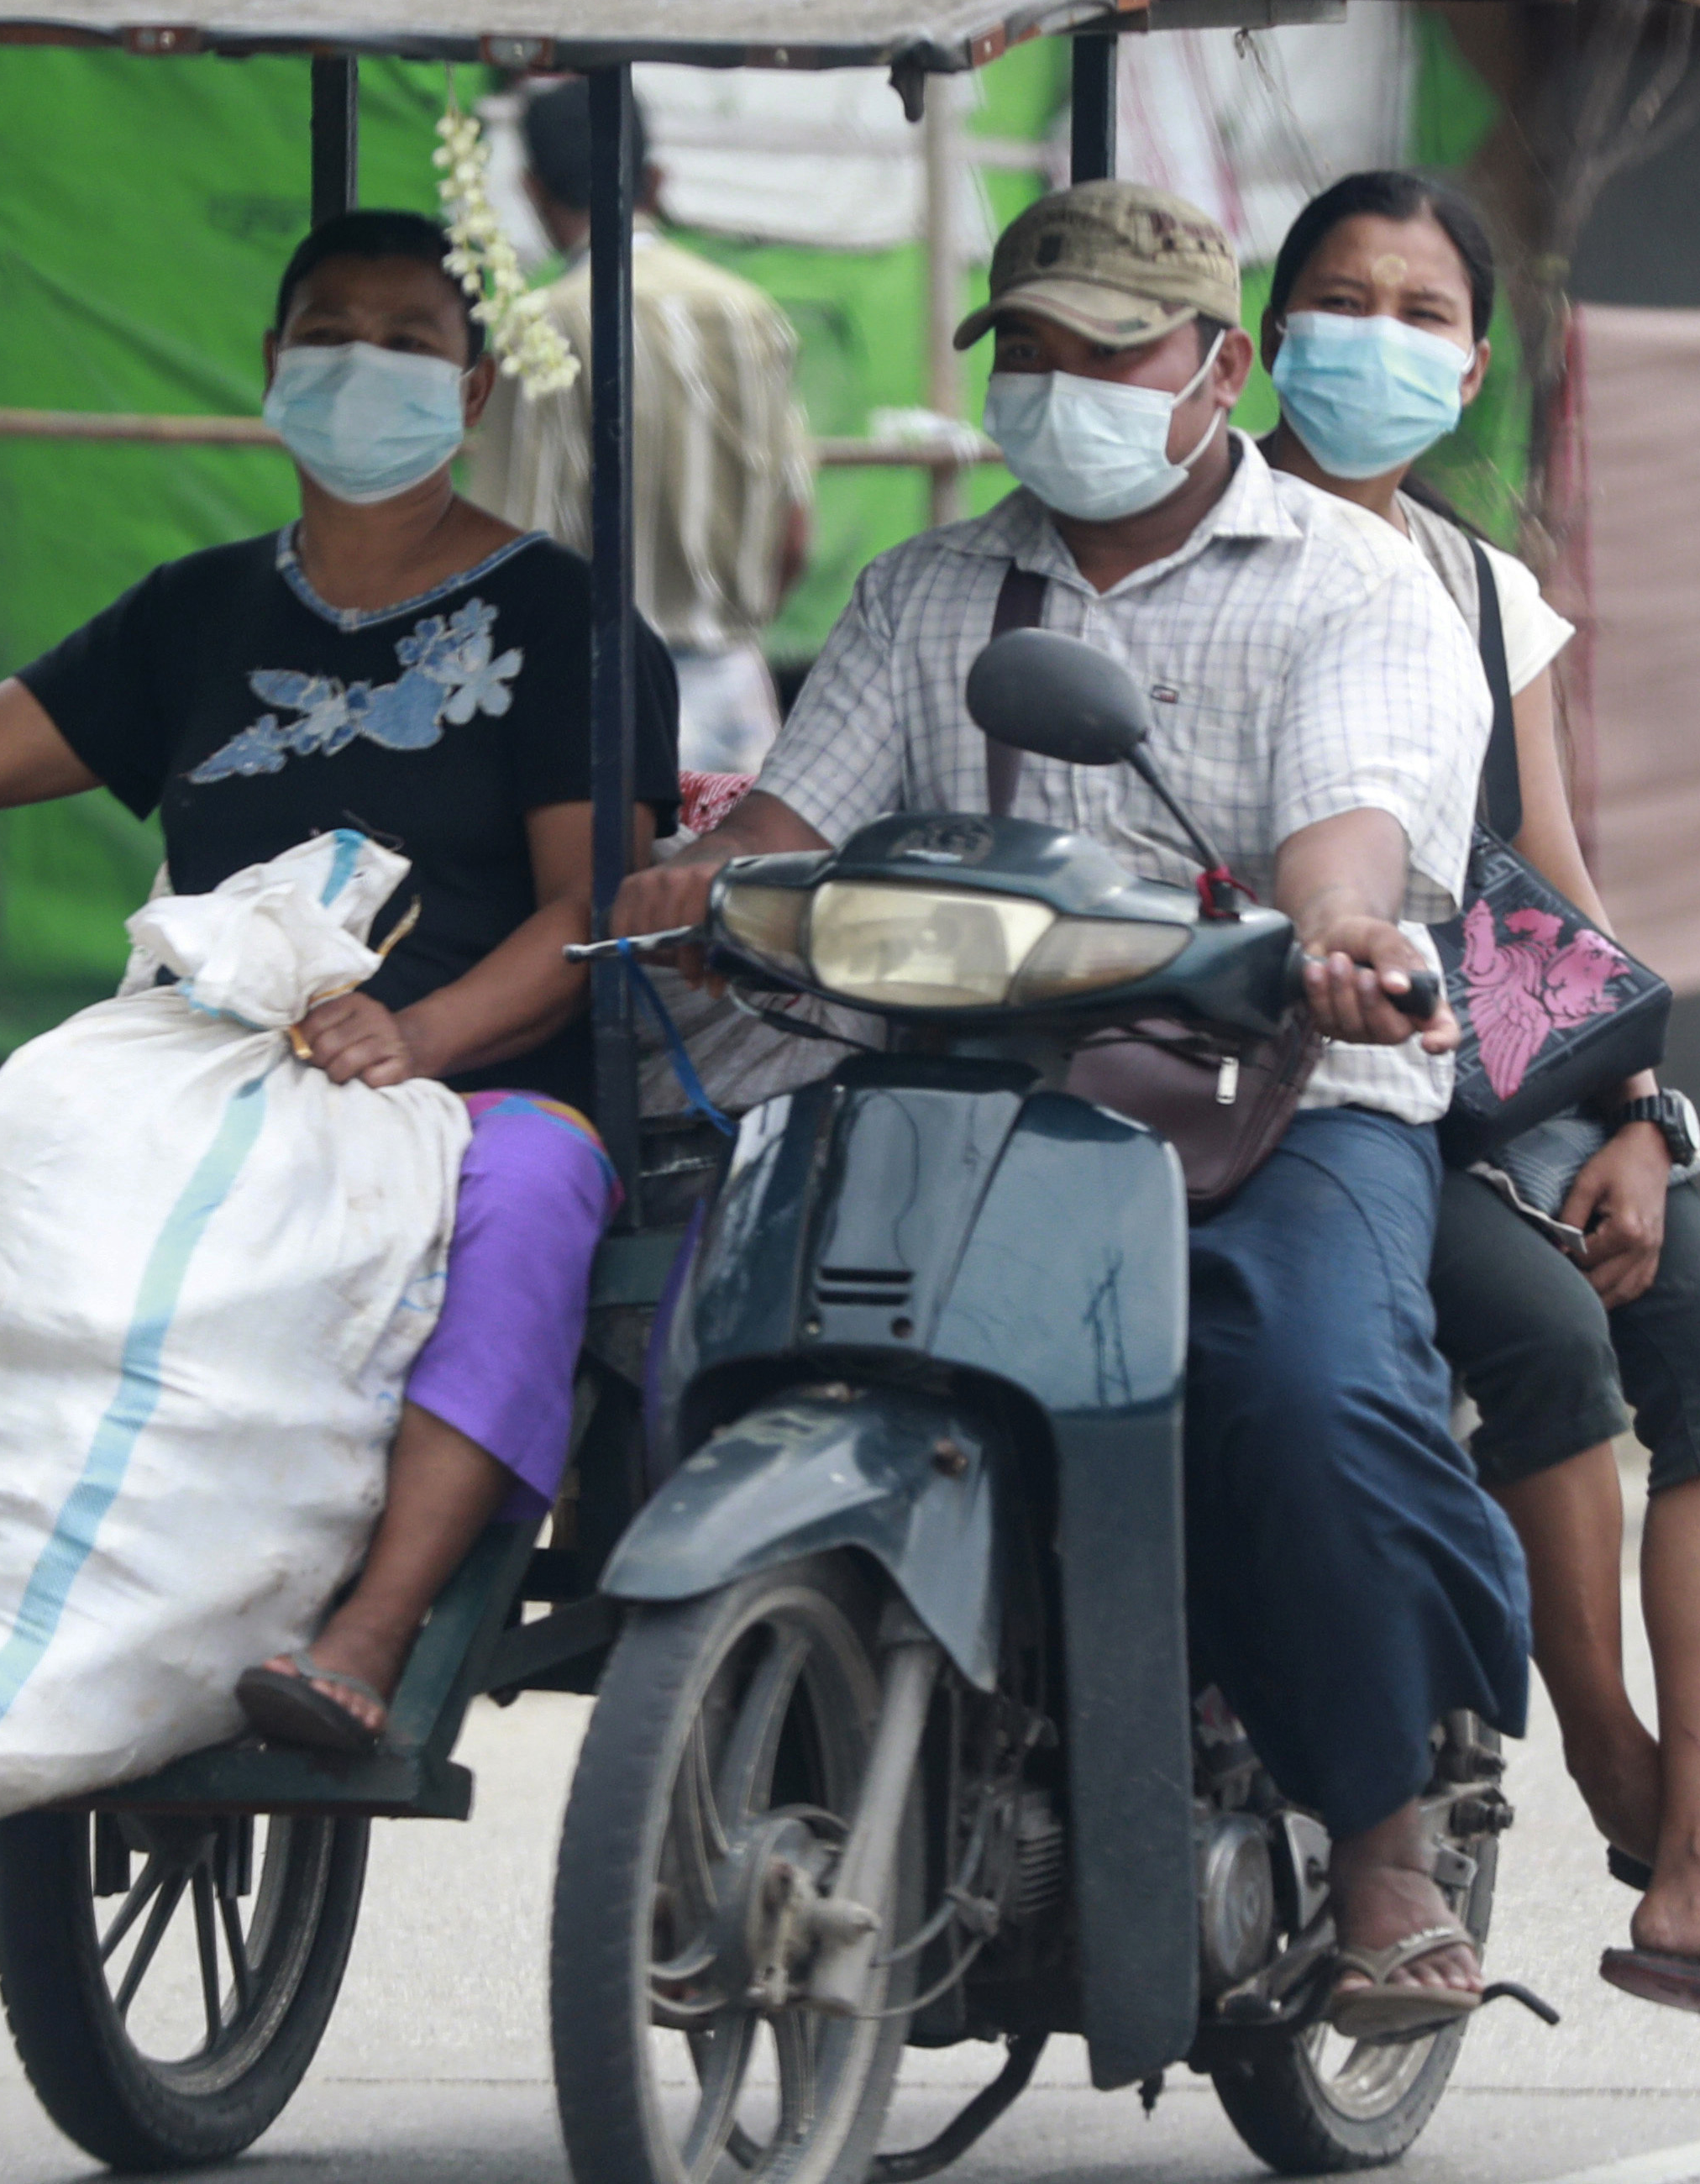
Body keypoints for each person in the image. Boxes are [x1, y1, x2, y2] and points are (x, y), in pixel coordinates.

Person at [615, 179, 1534, 2039]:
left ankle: (1376, 1843)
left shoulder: (1357, 586)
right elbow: (792, 828)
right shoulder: (931, 588)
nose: (1063, 387)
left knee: (1296, 1383)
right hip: (961, 1073)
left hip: (1280, 1083)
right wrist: (695, 894)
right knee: (704, 1309)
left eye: (1108, 352)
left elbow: (1349, 824)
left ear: (1214, 369)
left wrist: (1345, 928)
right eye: (1027, 353)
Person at [0, 208, 679, 1785]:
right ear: (270, 370)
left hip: (460, 1076)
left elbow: (589, 907)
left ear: (472, 392)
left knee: (544, 1185)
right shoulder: (194, 612)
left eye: (410, 339)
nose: (364, 364)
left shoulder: (558, 620)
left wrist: (413, 1034)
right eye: (328, 333)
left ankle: (374, 1635)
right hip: (196, 1068)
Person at [1253, 170, 1700, 2039]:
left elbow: (1543, 892)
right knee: (1550, 1334)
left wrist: (1639, 1110)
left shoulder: (1487, 595)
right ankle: (1621, 1776)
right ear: (1263, 333)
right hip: (1322, 1083)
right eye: (1343, 297)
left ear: (1475, 364)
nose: (1379, 338)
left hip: (1510, 1073)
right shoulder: (1221, 543)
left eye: (1421, 312)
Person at [467, 79, 819, 775]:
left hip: (592, 693)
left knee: (607, 885)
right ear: (656, 178)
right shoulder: (748, 311)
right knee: (731, 877)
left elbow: (512, 549)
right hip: (731, 687)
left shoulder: (543, 325)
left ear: (533, 190)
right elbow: (794, 535)